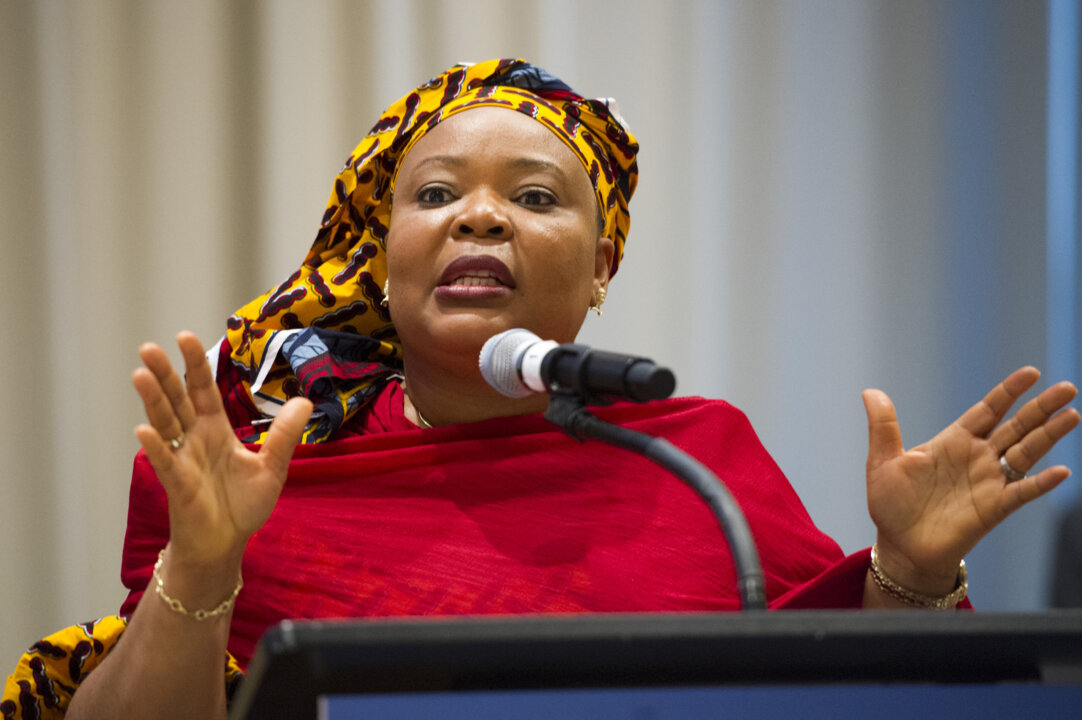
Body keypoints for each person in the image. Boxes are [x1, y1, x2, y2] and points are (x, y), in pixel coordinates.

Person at [4, 58, 1079, 720]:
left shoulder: (696, 458)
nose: (480, 218)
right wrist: (205, 563)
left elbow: (827, 702)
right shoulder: (254, 463)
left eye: (533, 196)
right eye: (435, 194)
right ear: (382, 260)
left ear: (601, 266)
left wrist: (911, 573)